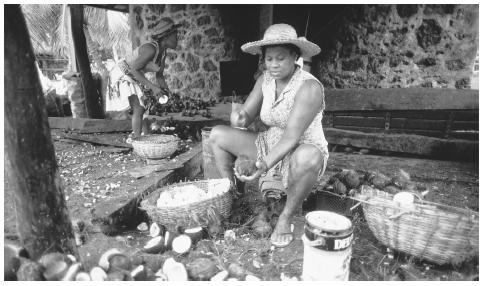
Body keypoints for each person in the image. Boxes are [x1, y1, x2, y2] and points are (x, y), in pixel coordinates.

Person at [209, 23, 329, 248]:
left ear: (295, 56)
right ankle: (233, 199)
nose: (273, 64)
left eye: (280, 58)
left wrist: (261, 165)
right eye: (269, 58)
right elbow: (247, 115)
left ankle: (286, 217)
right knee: (217, 135)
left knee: (306, 158)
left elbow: (291, 138)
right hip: (269, 142)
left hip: (303, 147)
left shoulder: (309, 87)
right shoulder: (264, 80)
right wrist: (239, 117)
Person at [113, 18, 180, 143]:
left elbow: (159, 76)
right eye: (175, 35)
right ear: (166, 37)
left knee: (143, 107)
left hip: (133, 75)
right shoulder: (151, 49)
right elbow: (133, 69)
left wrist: (166, 91)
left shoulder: (163, 54)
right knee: (138, 109)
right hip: (124, 73)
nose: (178, 38)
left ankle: (146, 136)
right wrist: (153, 88)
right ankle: (137, 142)